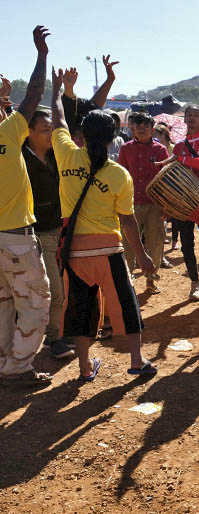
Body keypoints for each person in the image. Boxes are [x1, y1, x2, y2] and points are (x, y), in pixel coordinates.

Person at [50, 67, 158, 381]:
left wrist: (59, 90)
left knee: (80, 310)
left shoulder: (67, 156)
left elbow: (58, 120)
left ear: (80, 136)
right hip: (109, 250)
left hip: (75, 252)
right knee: (126, 305)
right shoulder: (118, 175)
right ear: (113, 138)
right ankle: (137, 361)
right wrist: (142, 256)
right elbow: (127, 220)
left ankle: (85, 367)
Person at [0, 26, 54, 388]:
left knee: (4, 303)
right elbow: (34, 94)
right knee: (35, 303)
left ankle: (6, 362)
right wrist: (41, 55)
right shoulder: (7, 134)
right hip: (15, 238)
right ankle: (17, 368)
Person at [22, 109, 75, 359]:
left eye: (52, 129)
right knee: (52, 290)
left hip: (61, 229)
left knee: (61, 287)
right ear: (28, 132)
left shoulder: (57, 155)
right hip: (32, 233)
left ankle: (56, 333)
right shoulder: (19, 157)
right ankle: (53, 339)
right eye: (45, 130)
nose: (51, 134)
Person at [157, 105, 199, 301]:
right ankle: (195, 284)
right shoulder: (179, 145)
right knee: (186, 245)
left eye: (195, 115)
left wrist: (182, 159)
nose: (191, 118)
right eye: (188, 115)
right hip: (182, 203)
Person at [118, 112, 169, 293]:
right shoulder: (126, 149)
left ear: (152, 129)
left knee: (155, 242)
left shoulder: (161, 150)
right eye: (138, 126)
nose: (141, 129)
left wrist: (166, 206)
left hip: (154, 204)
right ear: (133, 128)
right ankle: (127, 278)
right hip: (129, 204)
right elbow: (121, 175)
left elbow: (166, 178)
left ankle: (151, 279)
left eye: (145, 126)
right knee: (128, 242)